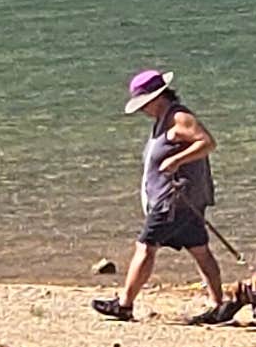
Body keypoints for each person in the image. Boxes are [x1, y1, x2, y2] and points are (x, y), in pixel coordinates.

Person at [95, 69, 234, 322]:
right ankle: (218, 305)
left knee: (146, 247)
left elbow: (207, 143)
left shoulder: (179, 117)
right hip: (179, 201)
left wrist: (176, 159)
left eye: (144, 104)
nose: (142, 110)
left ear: (157, 97)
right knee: (200, 250)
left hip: (174, 201)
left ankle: (125, 305)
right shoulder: (163, 120)